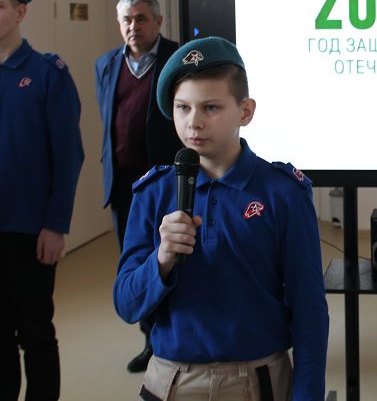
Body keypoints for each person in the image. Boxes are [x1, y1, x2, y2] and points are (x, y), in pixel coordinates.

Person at [113, 36, 329, 400]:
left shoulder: (283, 193)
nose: (193, 123)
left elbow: (309, 312)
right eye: (182, 108)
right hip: (171, 380)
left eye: (210, 107)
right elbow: (126, 304)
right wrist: (161, 259)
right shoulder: (153, 193)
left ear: (245, 111)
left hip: (256, 381)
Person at [0, 0, 84, 400]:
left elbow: (68, 156)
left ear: (20, 12)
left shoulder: (47, 72)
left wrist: (56, 224)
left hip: (30, 230)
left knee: (35, 332)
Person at [95, 0, 183, 372]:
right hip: (123, 186)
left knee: (171, 259)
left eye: (141, 18)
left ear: (158, 22)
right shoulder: (106, 64)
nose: (133, 26)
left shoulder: (178, 58)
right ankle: (151, 341)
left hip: (166, 185)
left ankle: (174, 335)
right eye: (127, 20)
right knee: (135, 264)